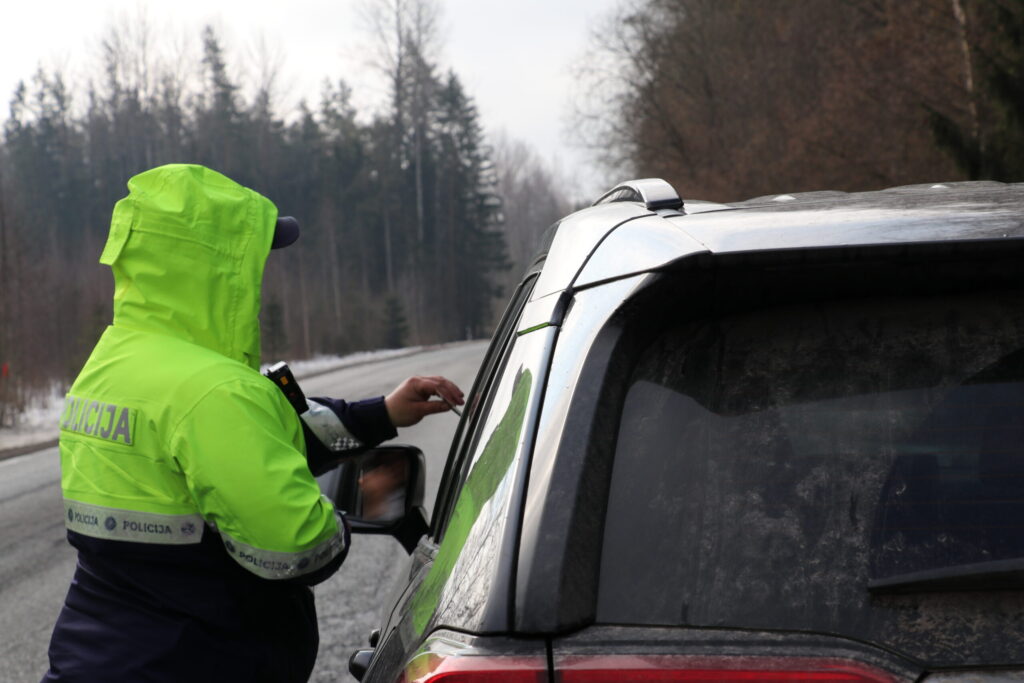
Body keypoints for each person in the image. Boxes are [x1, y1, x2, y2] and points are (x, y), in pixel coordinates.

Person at [41, 164, 464, 682]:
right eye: (254, 254)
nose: (263, 269)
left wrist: (383, 414)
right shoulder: (217, 392)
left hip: (95, 660)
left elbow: (265, 425)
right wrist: (350, 512)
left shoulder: (110, 367)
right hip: (191, 667)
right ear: (214, 266)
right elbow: (301, 545)